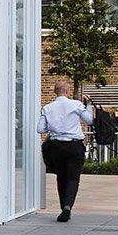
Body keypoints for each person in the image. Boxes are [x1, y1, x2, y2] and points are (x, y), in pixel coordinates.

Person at [37, 74, 92, 221]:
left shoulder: (47, 108)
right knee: (73, 178)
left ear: (55, 92)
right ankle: (68, 206)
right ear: (67, 92)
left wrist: (53, 127)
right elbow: (89, 120)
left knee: (61, 177)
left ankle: (63, 208)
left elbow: (40, 129)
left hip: (56, 146)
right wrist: (88, 106)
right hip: (74, 145)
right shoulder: (76, 105)